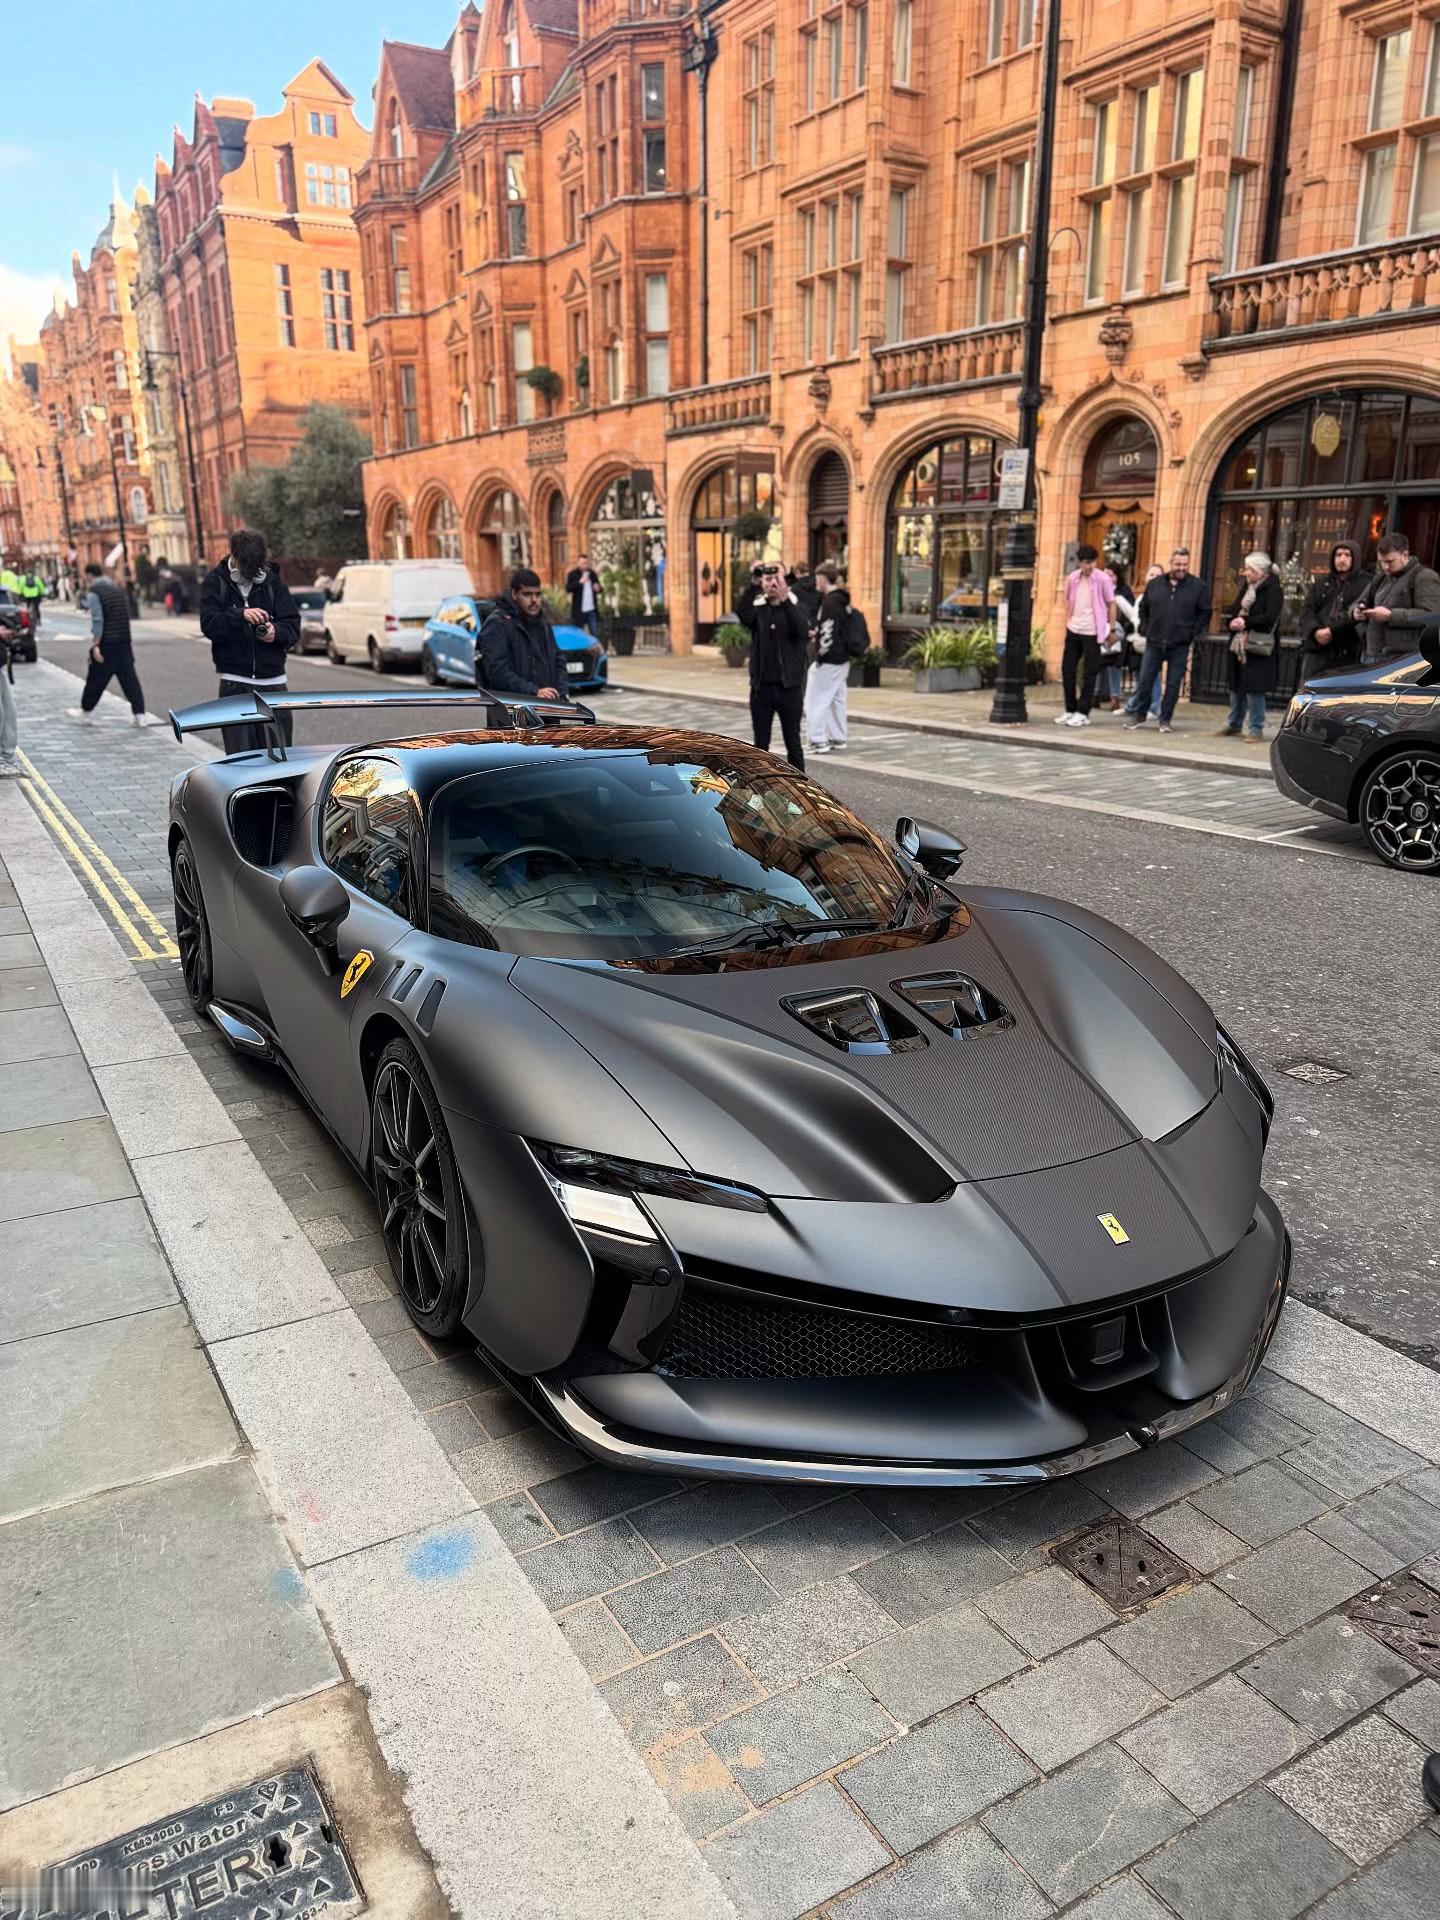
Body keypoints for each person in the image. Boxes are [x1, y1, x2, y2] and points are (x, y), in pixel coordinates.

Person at [199, 529, 301, 753]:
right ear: (234, 558)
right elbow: (209, 625)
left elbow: (293, 627)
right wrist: (239, 615)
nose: (253, 572)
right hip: (234, 683)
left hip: (273, 683)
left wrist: (276, 632)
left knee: (280, 757)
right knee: (240, 758)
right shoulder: (215, 582)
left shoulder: (273, 583)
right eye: (248, 566)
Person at [1126, 548, 1211, 732]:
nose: (1181, 568)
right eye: (1178, 564)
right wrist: (1145, 628)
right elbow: (1143, 608)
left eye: (1185, 564)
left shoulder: (1198, 587)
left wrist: (1192, 633)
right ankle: (1139, 715)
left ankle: (1165, 720)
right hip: (1154, 642)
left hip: (1179, 644)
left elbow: (1205, 613)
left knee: (1173, 685)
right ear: (1171, 563)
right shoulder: (1155, 584)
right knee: (1145, 681)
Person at [66, 561, 157, 727]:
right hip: (124, 641)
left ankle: (86, 712)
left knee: (96, 679)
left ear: (90, 575)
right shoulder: (116, 590)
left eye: (86, 576)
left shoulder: (95, 593)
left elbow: (98, 620)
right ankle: (139, 715)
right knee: (129, 680)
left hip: (107, 643)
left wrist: (96, 644)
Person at [747, 562, 810, 770]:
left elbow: (801, 630)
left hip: (789, 688)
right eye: (767, 579)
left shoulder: (796, 605)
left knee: (793, 743)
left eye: (777, 578)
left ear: (786, 581)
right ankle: (758, 786)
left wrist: (784, 600)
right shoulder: (758, 609)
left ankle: (800, 786)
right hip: (762, 689)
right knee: (760, 745)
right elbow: (742, 613)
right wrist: (753, 584)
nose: (772, 583)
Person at [479, 566, 567, 700]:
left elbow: (558, 659)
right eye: (527, 594)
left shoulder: (542, 622)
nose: (534, 600)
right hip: (513, 707)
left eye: (538, 594)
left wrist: (562, 693)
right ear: (514, 594)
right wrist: (534, 691)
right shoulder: (497, 623)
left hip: (546, 705)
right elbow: (497, 672)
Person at [1220, 552, 1282, 740]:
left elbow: (1269, 618)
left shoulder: (1273, 590)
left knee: (1255, 689)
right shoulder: (1248, 587)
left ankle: (1256, 728)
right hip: (1238, 644)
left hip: (1257, 646)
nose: (1245, 573)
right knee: (1236, 685)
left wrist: (1245, 622)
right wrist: (1232, 621)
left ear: (1259, 571)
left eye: (1249, 569)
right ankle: (1234, 723)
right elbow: (1235, 609)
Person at [1353, 531, 1440, 663]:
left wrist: (1390, 616)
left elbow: (1432, 615)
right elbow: (1358, 602)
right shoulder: (1381, 578)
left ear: (1405, 555)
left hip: (1401, 658)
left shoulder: (1424, 576)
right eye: (1381, 562)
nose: (1385, 567)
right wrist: (1356, 611)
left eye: (1390, 561)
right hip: (1371, 653)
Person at [1059, 545, 1117, 727]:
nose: (1089, 566)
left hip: (1092, 632)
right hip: (1073, 629)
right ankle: (1070, 709)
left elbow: (1111, 603)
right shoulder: (1072, 578)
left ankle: (1083, 712)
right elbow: (1068, 600)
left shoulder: (1103, 579)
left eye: (1092, 562)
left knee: (1090, 673)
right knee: (1067, 670)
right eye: (1085, 563)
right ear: (1079, 562)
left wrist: (1112, 629)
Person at [1298, 541, 1366, 684]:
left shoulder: (1364, 583)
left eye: (1347, 555)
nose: (1342, 559)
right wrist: (1316, 631)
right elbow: (1307, 611)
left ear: (1355, 558)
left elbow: (1355, 613)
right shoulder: (1322, 583)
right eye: (1338, 555)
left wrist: (1331, 630)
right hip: (1318, 649)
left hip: (1346, 650)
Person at [806, 563, 856, 756]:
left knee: (815, 700)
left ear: (823, 579)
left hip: (830, 660)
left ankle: (818, 740)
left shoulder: (830, 603)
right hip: (842, 658)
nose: (815, 582)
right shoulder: (843, 600)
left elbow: (828, 633)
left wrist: (820, 656)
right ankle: (838, 737)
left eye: (817, 578)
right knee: (837, 699)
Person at [565, 553, 602, 636]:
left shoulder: (592, 574)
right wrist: (580, 582)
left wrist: (598, 588)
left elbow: (599, 588)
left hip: (591, 610)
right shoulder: (573, 574)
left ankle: (594, 645)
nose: (584, 565)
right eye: (582, 563)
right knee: (579, 635)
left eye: (586, 563)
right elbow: (568, 588)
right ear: (578, 563)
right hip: (579, 610)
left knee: (595, 634)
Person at [788, 561, 822, 630]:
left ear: (798, 572)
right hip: (816, 623)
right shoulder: (818, 586)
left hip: (801, 624)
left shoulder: (794, 588)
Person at [18, 562, 45, 632]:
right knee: (36, 608)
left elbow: (20, 587)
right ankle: (38, 620)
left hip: (26, 595)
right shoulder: (36, 578)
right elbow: (41, 586)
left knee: (27, 608)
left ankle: (28, 619)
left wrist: (20, 594)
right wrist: (42, 593)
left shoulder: (23, 578)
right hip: (35, 594)